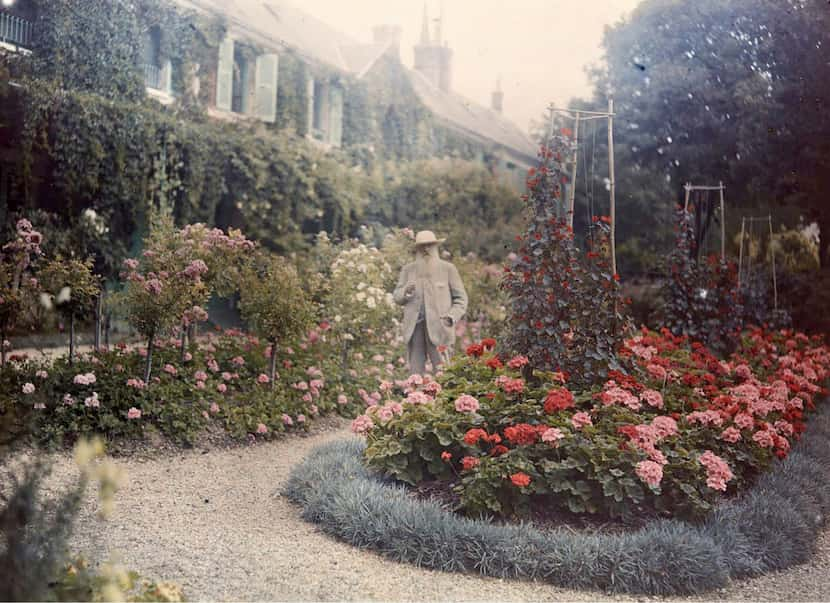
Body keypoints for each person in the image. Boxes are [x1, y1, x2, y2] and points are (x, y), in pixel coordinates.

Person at [393, 231, 468, 375]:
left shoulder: (448, 269)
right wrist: (406, 292)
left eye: (429, 245)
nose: (426, 249)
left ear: (435, 247)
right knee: (415, 374)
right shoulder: (408, 270)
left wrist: (451, 317)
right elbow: (397, 296)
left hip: (440, 327)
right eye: (422, 246)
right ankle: (416, 397)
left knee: (443, 372)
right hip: (415, 327)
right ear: (417, 249)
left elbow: (461, 299)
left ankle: (445, 397)